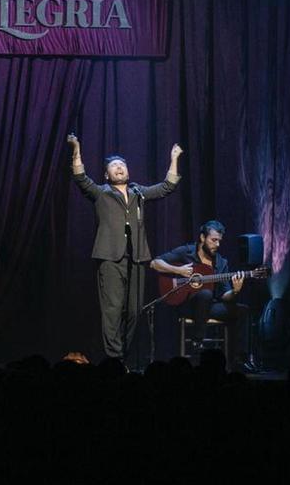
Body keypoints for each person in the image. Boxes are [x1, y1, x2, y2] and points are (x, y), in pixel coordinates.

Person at [68, 133, 182, 363]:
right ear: (107, 174)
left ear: (128, 173)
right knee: (112, 311)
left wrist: (174, 158)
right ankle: (114, 359)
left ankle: (122, 356)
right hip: (110, 258)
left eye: (122, 165)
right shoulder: (101, 193)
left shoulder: (138, 193)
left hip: (137, 258)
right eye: (114, 166)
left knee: (133, 311)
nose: (119, 168)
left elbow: (166, 187)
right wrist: (77, 148)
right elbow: (81, 178)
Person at [151, 220, 246, 364]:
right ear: (202, 238)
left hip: (208, 306)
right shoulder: (186, 252)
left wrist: (235, 291)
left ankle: (239, 359)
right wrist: (178, 270)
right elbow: (155, 263)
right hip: (186, 304)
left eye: (219, 241)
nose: (217, 245)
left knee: (242, 310)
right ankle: (197, 342)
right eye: (214, 240)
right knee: (205, 294)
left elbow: (225, 296)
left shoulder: (221, 263)